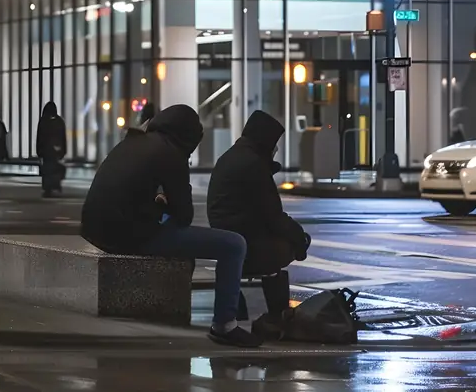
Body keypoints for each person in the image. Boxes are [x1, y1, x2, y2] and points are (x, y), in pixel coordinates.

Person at [81, 104, 259, 347]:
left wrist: (160, 203)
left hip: (96, 230)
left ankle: (231, 306)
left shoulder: (132, 141)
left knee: (179, 234)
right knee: (234, 244)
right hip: (126, 236)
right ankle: (225, 324)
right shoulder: (171, 153)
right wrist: (166, 202)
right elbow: (185, 214)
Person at [207, 110, 311, 340]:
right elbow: (273, 215)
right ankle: (277, 315)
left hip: (229, 233)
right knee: (283, 249)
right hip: (243, 241)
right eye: (274, 144)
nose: (276, 149)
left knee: (278, 244)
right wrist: (300, 238)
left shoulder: (234, 156)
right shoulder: (253, 165)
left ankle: (257, 308)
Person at [36, 101, 67, 197]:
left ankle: (48, 188)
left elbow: (40, 137)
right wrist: (63, 150)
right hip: (56, 150)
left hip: (46, 150)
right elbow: (63, 137)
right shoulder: (59, 121)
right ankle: (55, 185)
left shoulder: (43, 121)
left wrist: (39, 150)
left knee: (47, 170)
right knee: (54, 169)